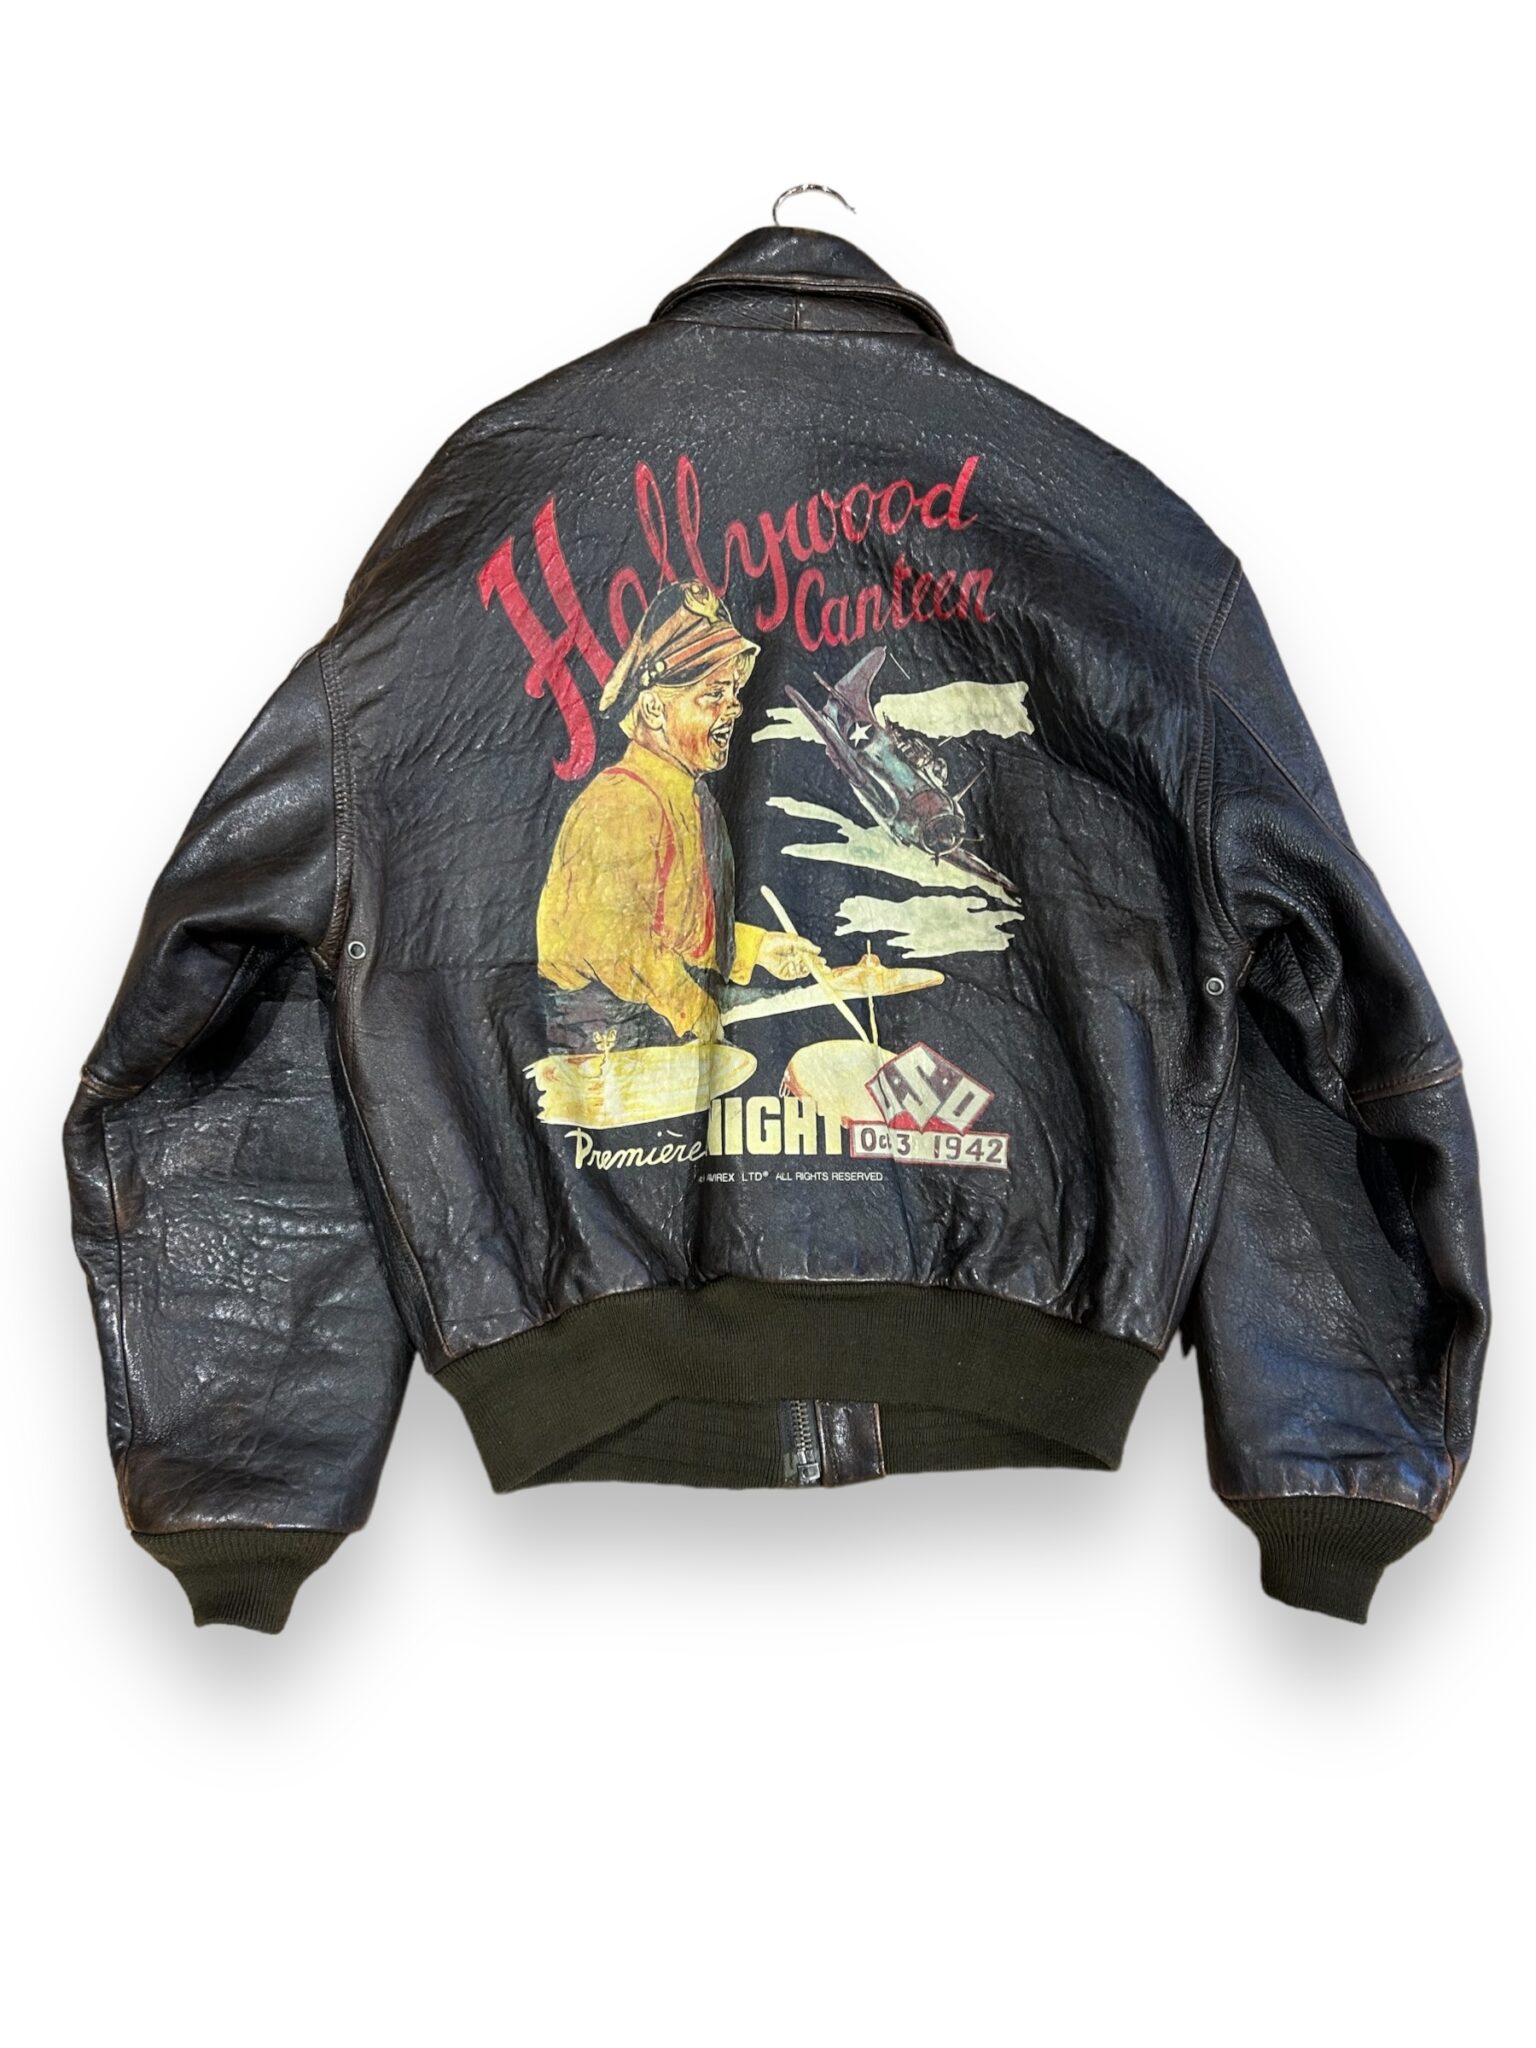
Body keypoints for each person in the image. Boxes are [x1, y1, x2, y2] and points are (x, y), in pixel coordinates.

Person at [536, 579, 821, 1052]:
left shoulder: (692, 800)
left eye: (733, 692)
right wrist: (691, 1007)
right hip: (599, 1045)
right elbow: (616, 945)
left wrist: (756, 949)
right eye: (713, 694)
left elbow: (680, 934)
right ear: (653, 708)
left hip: (650, 1025)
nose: (734, 707)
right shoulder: (620, 803)